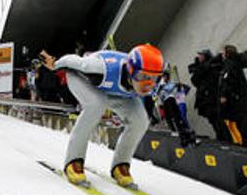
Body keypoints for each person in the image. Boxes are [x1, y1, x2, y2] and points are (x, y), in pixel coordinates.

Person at [41, 44, 164, 187]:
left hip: (117, 93)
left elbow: (149, 104)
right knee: (96, 104)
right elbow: (75, 61)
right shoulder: (99, 68)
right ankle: (74, 161)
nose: (147, 84)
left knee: (140, 120)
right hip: (83, 79)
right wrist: (55, 64)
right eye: (142, 76)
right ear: (130, 70)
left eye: (155, 78)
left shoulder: (148, 86)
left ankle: (121, 165)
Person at [189, 49, 230, 141]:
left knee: (219, 120)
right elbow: (194, 81)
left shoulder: (213, 66)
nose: (199, 57)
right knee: (214, 120)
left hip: (213, 98)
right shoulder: (201, 68)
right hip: (206, 100)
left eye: (201, 55)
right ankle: (222, 138)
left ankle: (226, 139)